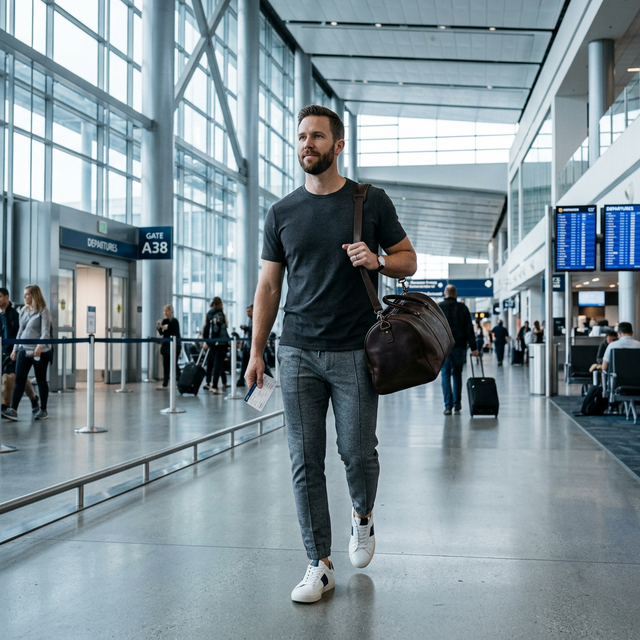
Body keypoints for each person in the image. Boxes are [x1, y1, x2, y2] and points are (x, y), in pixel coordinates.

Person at [245, 104, 417, 603]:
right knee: (304, 460)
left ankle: (361, 516)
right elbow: (269, 287)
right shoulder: (281, 213)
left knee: (357, 453)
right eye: (301, 137)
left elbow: (409, 259)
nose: (307, 144)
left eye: (317, 137)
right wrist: (258, 352)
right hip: (296, 351)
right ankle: (318, 562)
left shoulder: (370, 201)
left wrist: (379, 260)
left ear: (338, 146)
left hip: (354, 351)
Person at [2, 285, 51, 421]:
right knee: (20, 379)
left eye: (27, 294)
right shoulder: (23, 311)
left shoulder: (43, 311)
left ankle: (43, 409)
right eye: (24, 294)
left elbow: (45, 332)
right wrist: (15, 349)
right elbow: (20, 332)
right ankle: (13, 409)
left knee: (41, 380)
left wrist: (40, 346)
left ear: (34, 295)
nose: (24, 297)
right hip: (24, 349)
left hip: (39, 351)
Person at [438, 286, 478, 415]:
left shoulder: (439, 307)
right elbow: (469, 329)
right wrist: (474, 348)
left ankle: (447, 406)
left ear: (445, 294)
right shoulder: (463, 308)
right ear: (455, 294)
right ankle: (457, 404)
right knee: (457, 375)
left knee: (445, 374)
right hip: (459, 346)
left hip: (443, 347)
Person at [203, 297, 229, 394]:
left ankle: (210, 383)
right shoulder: (220, 314)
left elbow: (205, 326)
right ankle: (214, 386)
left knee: (214, 363)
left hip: (211, 342)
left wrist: (205, 340)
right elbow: (224, 326)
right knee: (218, 364)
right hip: (221, 342)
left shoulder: (209, 313)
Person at [156, 304, 180, 389]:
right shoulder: (164, 321)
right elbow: (163, 332)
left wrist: (163, 328)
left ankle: (179, 381)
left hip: (174, 345)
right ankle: (165, 383)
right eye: (164, 311)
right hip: (166, 345)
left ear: (171, 311)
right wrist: (159, 328)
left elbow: (173, 332)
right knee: (165, 364)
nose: (165, 313)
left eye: (167, 311)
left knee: (174, 363)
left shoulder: (174, 321)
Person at [237, 305, 253, 387]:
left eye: (249, 311)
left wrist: (246, 328)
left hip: (253, 346)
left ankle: (270, 377)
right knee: (244, 364)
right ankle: (241, 381)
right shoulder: (250, 319)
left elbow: (253, 330)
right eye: (247, 311)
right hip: (247, 346)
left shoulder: (255, 319)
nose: (247, 313)